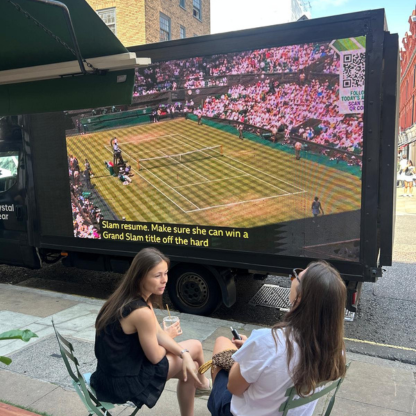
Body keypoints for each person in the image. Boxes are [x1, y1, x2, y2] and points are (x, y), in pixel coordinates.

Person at [207, 261, 347, 416]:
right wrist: (253, 350)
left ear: (300, 297)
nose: (292, 279)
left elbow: (233, 388)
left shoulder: (266, 341)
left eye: (296, 277)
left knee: (221, 344)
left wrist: (248, 352)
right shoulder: (336, 349)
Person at [90, 248, 211, 416]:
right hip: (123, 383)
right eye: (157, 276)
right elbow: (155, 356)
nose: (164, 280)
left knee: (190, 363)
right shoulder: (141, 311)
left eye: (166, 273)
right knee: (194, 351)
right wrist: (179, 348)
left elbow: (159, 333)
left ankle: (201, 385)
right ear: (140, 277)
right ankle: (203, 385)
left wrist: (182, 353)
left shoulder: (128, 297)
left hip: (108, 375)